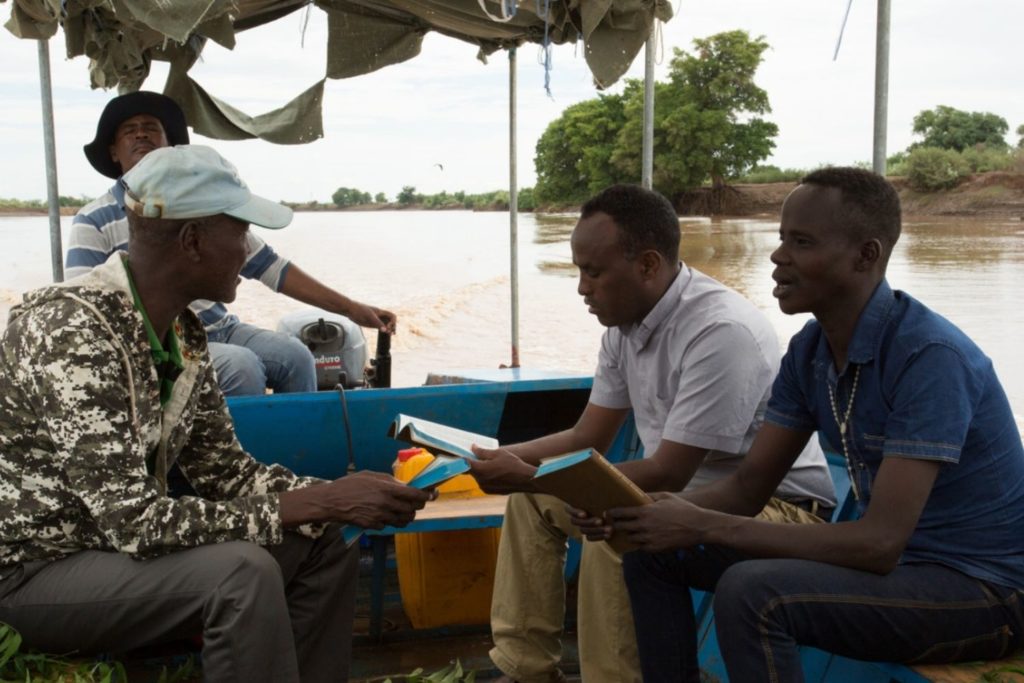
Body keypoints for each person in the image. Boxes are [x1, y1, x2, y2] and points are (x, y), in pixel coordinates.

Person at [0, 145, 432, 682]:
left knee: (322, 539)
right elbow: (134, 523)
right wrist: (317, 498)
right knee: (239, 572)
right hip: (34, 571)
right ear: (193, 241)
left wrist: (339, 497)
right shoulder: (70, 332)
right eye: (241, 231)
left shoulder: (182, 333)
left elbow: (226, 473)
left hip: (113, 553)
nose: (249, 250)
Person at [609, 167, 1024, 682]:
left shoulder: (929, 357)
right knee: (652, 555)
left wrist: (702, 523)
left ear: (865, 256)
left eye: (801, 242)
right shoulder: (809, 352)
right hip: (900, 572)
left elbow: (878, 543)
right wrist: (634, 512)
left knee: (752, 594)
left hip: (982, 589)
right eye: (782, 239)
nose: (778, 257)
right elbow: (745, 489)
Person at [467, 184, 836, 683]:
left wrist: (531, 474)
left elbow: (669, 470)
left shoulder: (718, 330)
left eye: (593, 272)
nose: (582, 288)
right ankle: (526, 669)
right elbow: (587, 436)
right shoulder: (623, 328)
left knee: (614, 518)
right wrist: (490, 456)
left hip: (780, 508)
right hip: (682, 494)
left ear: (647, 265)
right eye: (579, 271)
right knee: (532, 503)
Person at [68, 90, 396, 396]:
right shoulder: (93, 220)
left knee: (295, 355)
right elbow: (88, 308)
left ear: (170, 147)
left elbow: (271, 267)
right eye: (130, 130)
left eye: (151, 128)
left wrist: (352, 309)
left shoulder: (204, 207)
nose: (141, 134)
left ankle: (298, 449)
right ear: (113, 151)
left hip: (218, 327)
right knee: (241, 367)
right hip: (156, 339)